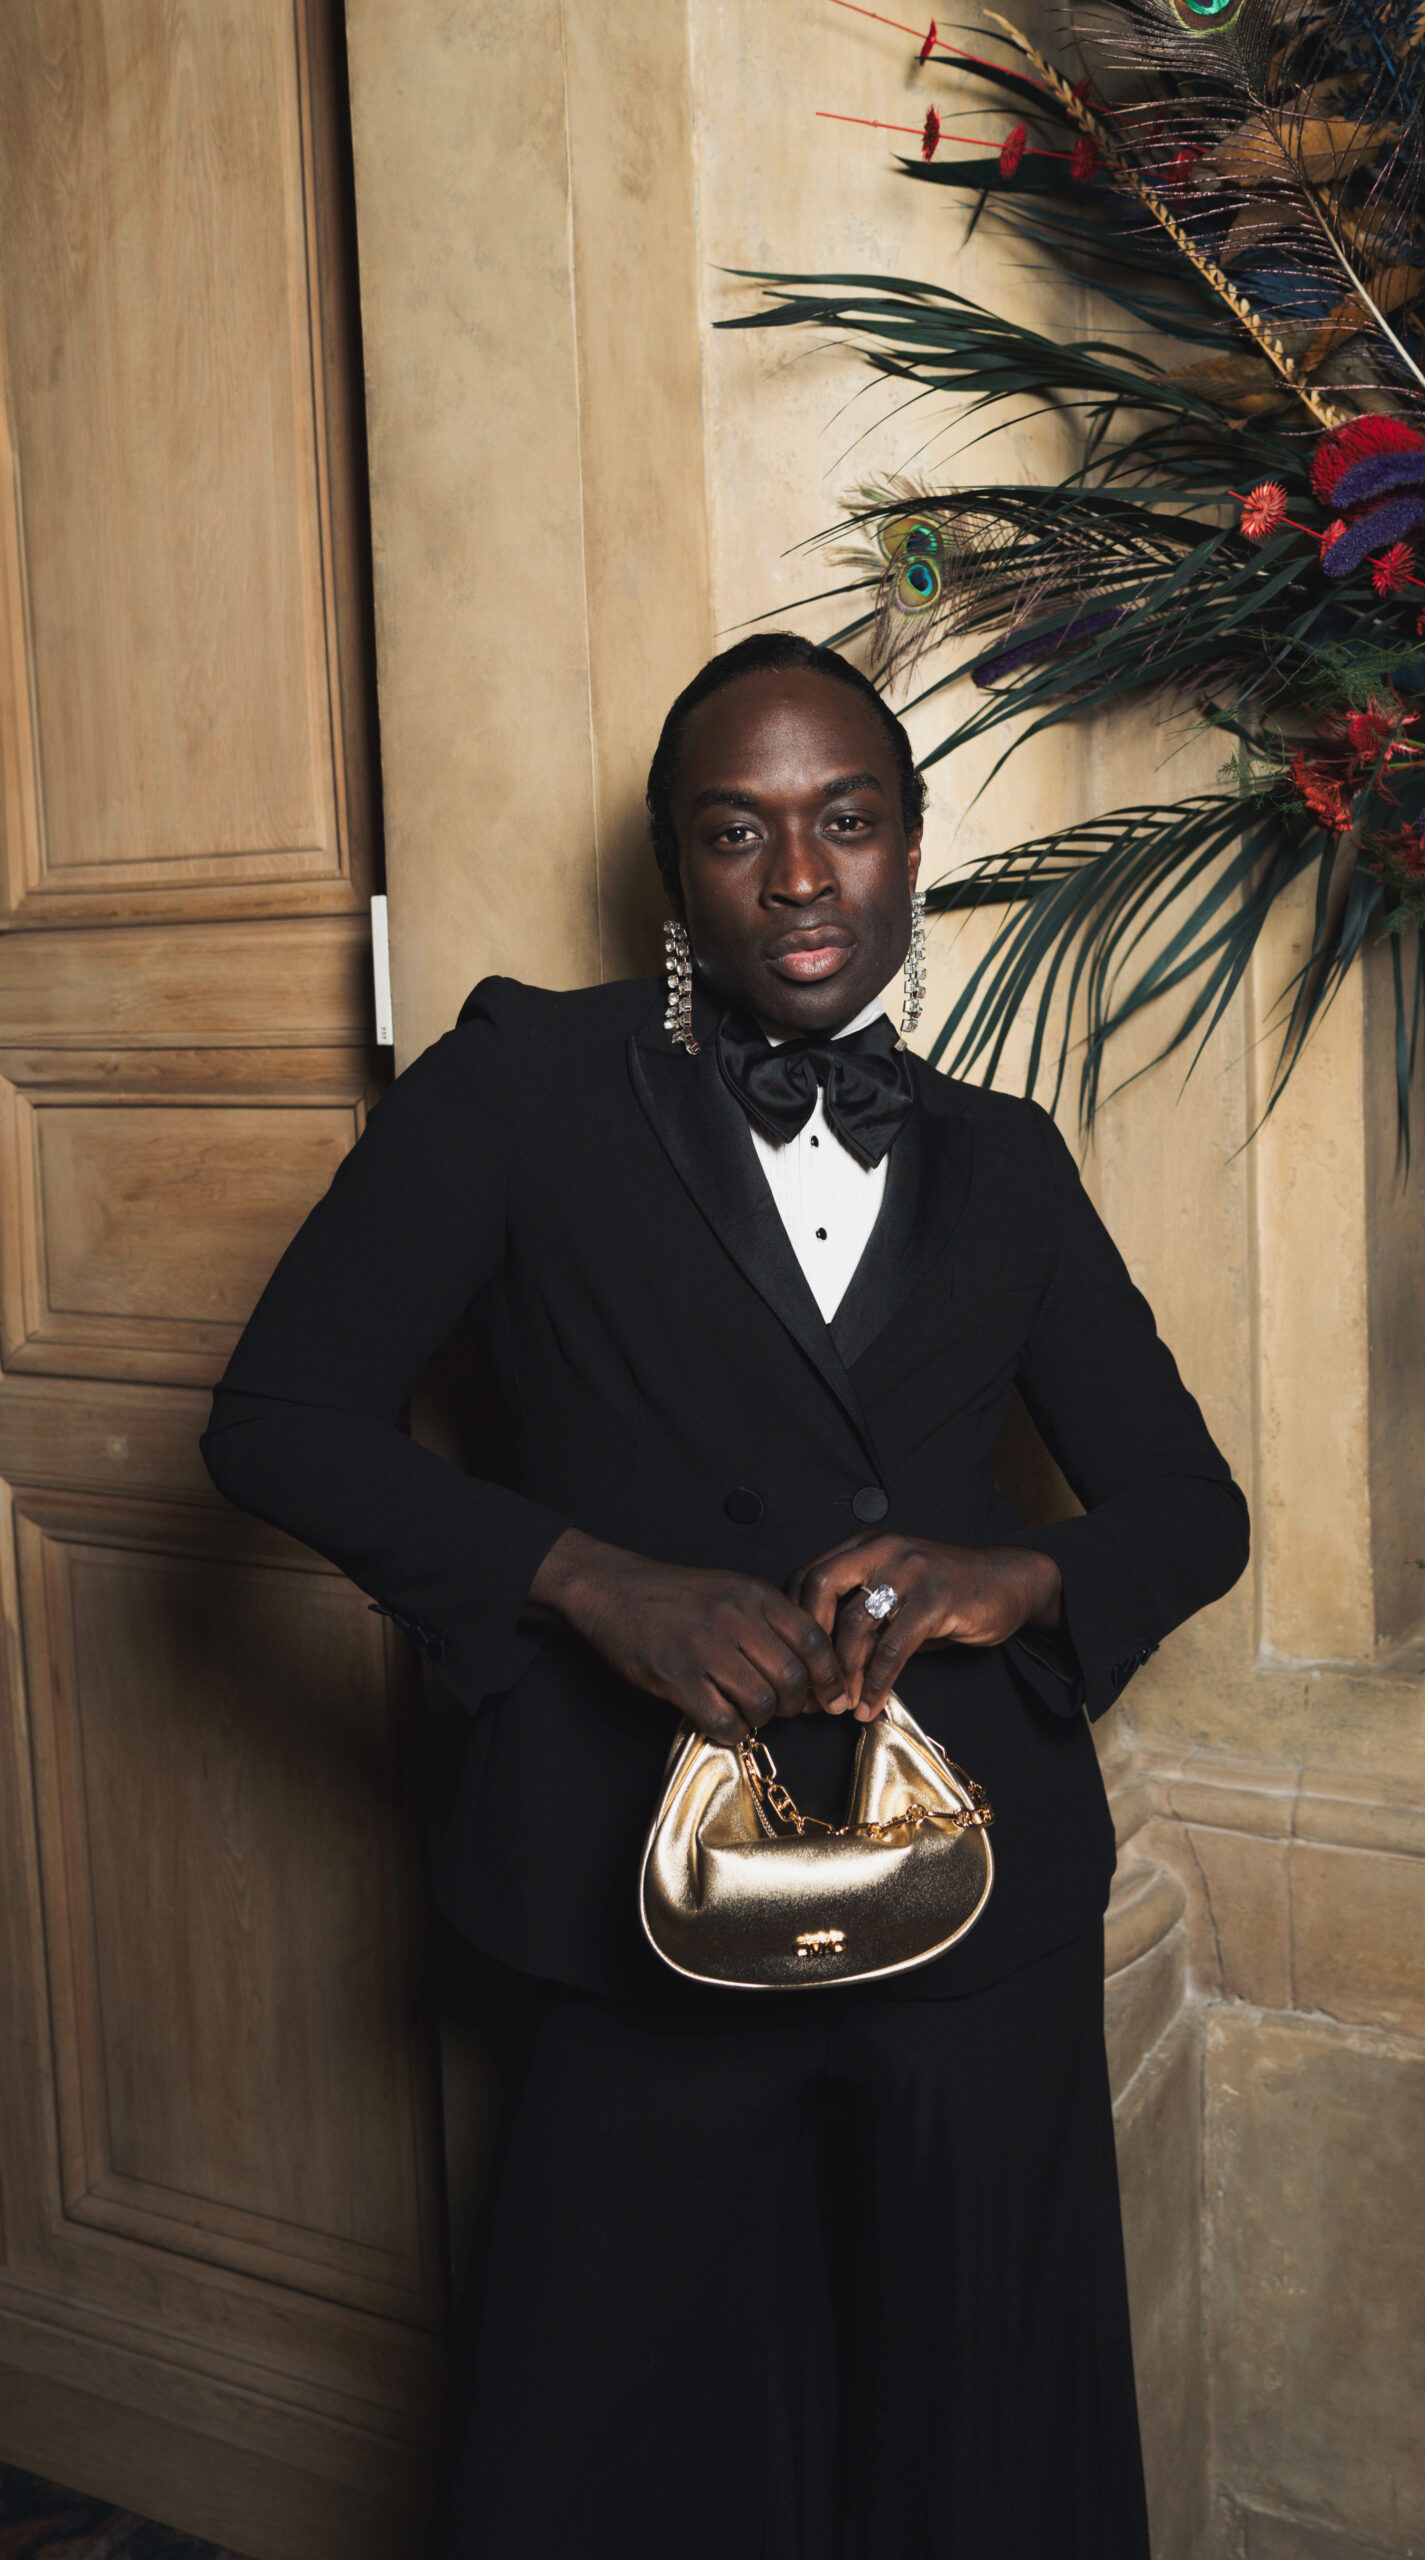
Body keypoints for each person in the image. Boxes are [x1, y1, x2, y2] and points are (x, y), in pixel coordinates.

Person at [201, 631, 1248, 2558]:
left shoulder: (1005, 1161)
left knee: (974, 2459)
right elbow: (276, 1422)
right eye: (736, 830)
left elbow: (1192, 1510)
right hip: (631, 1891)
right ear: (674, 868)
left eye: (846, 821)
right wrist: (584, 1578)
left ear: (911, 845)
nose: (799, 876)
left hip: (971, 1903)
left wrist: (1015, 1571)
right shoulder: (520, 1089)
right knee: (634, 2466)